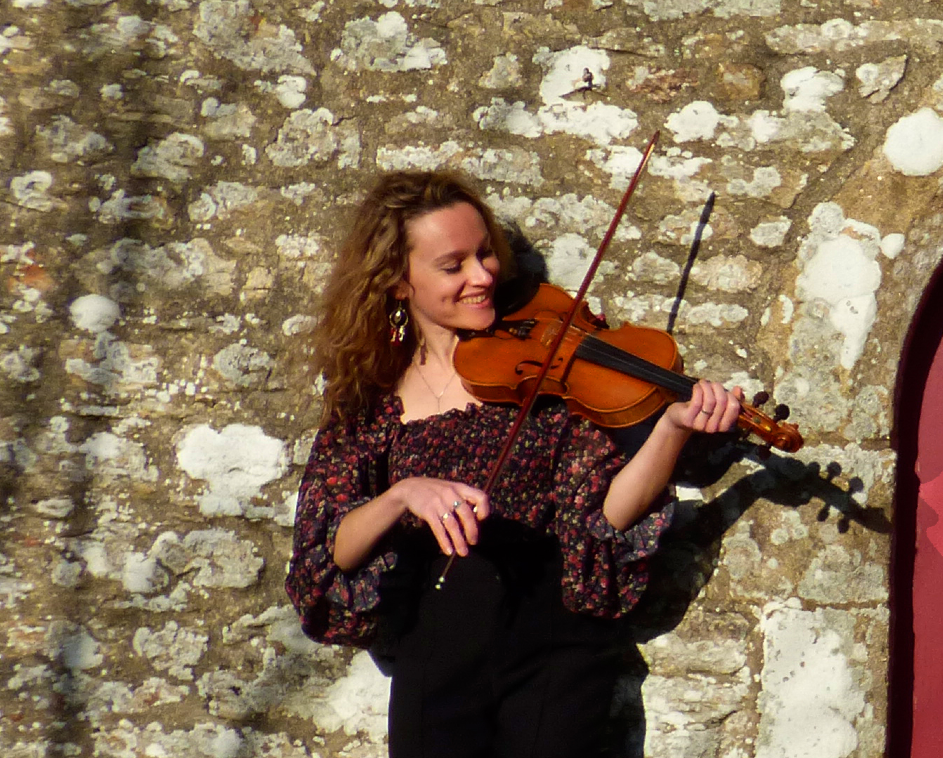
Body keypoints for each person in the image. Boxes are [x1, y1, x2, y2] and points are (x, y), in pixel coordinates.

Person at [285, 171, 741, 757]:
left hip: (554, 646)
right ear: (399, 282)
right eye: (454, 266)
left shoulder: (551, 371)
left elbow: (607, 515)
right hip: (438, 651)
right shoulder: (372, 399)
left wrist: (671, 430)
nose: (483, 277)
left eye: (485, 254)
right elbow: (329, 550)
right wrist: (403, 494)